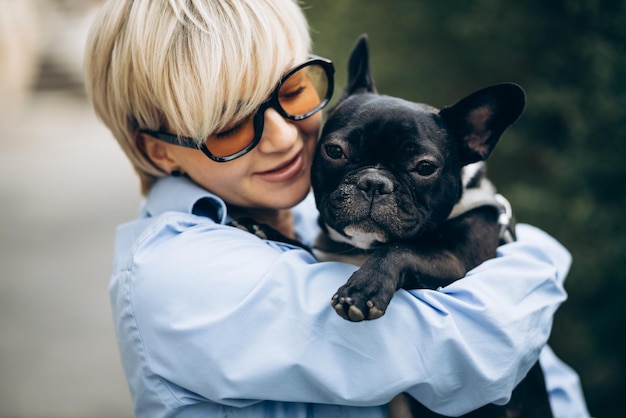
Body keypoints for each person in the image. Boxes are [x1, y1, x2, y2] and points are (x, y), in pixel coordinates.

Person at [84, 1, 591, 417]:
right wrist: (534, 256)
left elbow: (552, 376)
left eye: (292, 91)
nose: (282, 136)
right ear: (160, 149)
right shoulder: (181, 277)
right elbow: (476, 351)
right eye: (228, 124)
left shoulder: (308, 220)